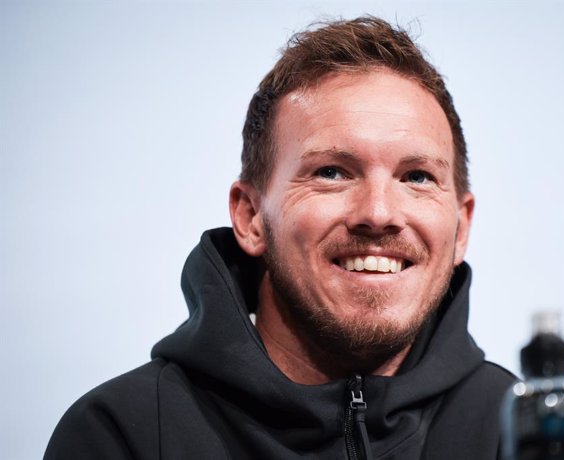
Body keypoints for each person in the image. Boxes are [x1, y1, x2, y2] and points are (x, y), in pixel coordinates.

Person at [44, 16, 515, 460]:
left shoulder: (521, 434)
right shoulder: (124, 435)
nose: (378, 212)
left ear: (462, 226)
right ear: (250, 217)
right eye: (331, 172)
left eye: (416, 177)